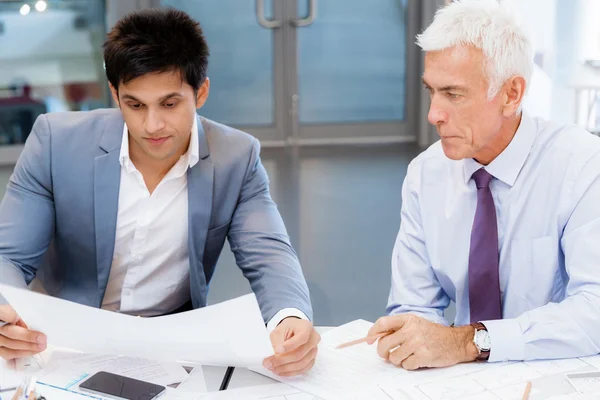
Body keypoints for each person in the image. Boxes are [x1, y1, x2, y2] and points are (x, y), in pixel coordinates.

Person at [0, 8, 319, 377]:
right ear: (115, 94)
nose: (152, 125)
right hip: (65, 338)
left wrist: (288, 316)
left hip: (172, 342)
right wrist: (6, 312)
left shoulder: (237, 157)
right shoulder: (55, 142)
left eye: (169, 104)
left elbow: (270, 257)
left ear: (200, 93)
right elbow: (9, 256)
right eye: (135, 105)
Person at [368, 0, 600, 370]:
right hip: (462, 379)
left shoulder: (583, 166)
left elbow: (595, 311)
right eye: (432, 91)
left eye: (454, 95)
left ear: (511, 94)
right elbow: (414, 306)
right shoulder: (426, 173)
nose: (433, 115)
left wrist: (471, 341)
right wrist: (412, 338)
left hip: (556, 371)